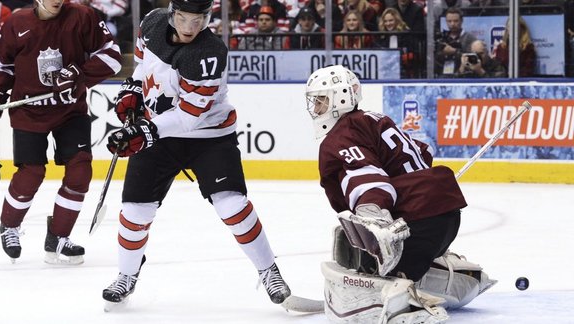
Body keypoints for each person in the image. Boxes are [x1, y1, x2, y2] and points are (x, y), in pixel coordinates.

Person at [101, 0, 291, 310]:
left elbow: (190, 116)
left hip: (209, 136)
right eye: (184, 18)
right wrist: (133, 90)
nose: (191, 27)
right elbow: (141, 63)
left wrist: (144, 131)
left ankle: (269, 270)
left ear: (207, 17)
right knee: (135, 212)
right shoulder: (151, 23)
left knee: (232, 205)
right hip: (161, 135)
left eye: (199, 19)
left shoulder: (208, 53)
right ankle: (126, 274)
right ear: (172, 13)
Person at [304, 65, 496, 323]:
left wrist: (373, 215)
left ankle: (402, 297)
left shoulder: (341, 135)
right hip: (443, 215)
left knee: (376, 261)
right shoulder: (373, 119)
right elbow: (419, 155)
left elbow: (365, 176)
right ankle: (431, 265)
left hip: (415, 223)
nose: (315, 107)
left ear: (340, 98)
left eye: (321, 100)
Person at [0, 0, 122, 264]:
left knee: (80, 171)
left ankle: (58, 237)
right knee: (31, 172)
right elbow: (3, 65)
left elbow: (112, 56)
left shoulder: (82, 16)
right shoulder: (16, 23)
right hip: (29, 112)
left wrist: (79, 74)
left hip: (70, 112)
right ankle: (9, 226)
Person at [434, 7, 476, 77]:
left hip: (464, 76)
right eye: (449, 21)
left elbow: (474, 61)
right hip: (443, 76)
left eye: (456, 21)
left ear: (461, 21)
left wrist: (455, 52)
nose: (452, 24)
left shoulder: (469, 38)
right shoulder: (442, 38)